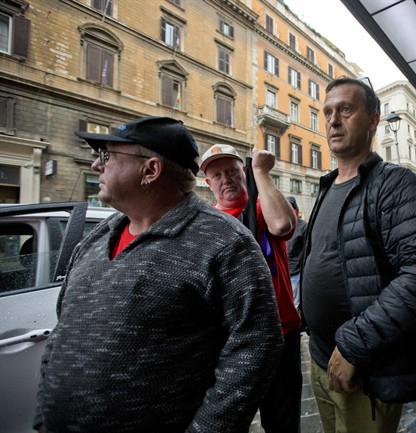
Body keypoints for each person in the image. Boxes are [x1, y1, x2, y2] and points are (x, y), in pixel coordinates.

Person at [34, 116, 284, 433]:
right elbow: (61, 332)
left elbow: (258, 343)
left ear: (151, 170)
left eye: (108, 156)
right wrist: (44, 414)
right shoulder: (94, 241)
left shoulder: (224, 242)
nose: (98, 166)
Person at [301, 77, 416, 433]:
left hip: (364, 366)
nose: (333, 120)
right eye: (327, 112)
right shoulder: (325, 187)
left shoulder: (397, 185)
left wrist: (354, 344)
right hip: (321, 358)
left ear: (373, 119)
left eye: (346, 110)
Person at [200, 144, 302, 433]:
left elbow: (282, 224)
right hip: (231, 340)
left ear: (243, 172)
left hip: (281, 331)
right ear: (208, 184)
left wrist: (261, 172)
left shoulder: (261, 205)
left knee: (282, 422)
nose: (226, 179)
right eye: (217, 174)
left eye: (232, 171)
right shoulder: (207, 222)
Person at [286, 195, 307, 311]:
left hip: (296, 271)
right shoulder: (283, 224)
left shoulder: (303, 226)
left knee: (295, 304)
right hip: (284, 271)